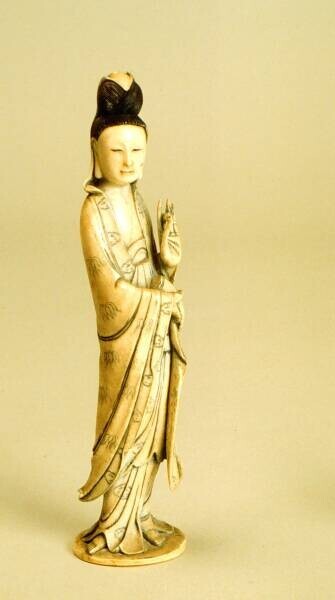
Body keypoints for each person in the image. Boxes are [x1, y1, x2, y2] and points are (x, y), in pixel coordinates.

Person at [77, 72, 186, 556]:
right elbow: (109, 287)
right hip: (127, 338)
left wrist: (168, 263)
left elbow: (148, 272)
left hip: (152, 333)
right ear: (95, 150)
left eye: (137, 150)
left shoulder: (138, 201)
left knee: (149, 427)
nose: (128, 161)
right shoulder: (94, 210)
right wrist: (160, 300)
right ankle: (115, 523)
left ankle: (137, 514)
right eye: (117, 150)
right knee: (125, 426)